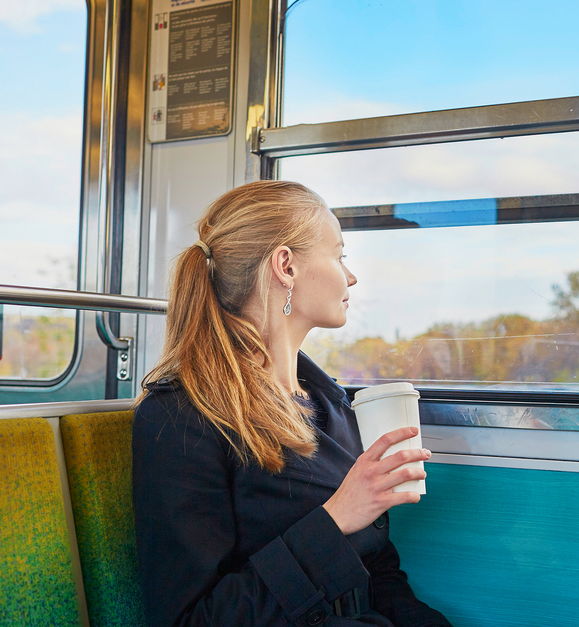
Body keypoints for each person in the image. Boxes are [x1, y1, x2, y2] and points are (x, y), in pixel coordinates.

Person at [132, 181, 453, 627]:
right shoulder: (181, 418)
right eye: (339, 256)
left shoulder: (329, 403)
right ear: (286, 266)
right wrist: (334, 520)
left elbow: (375, 571)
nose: (351, 277)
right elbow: (192, 620)